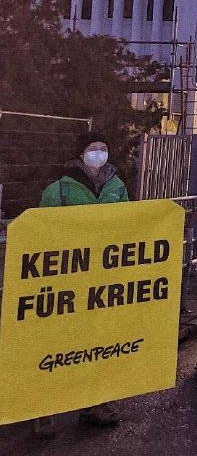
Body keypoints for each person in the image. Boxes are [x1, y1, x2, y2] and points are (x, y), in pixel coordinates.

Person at [31, 131, 129, 438]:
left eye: (103, 148)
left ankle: (99, 405)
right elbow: (40, 233)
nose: (99, 153)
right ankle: (40, 412)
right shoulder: (59, 190)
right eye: (92, 149)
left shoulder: (117, 186)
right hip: (65, 282)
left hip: (103, 280)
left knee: (100, 344)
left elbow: (130, 224)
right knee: (56, 346)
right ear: (80, 153)